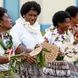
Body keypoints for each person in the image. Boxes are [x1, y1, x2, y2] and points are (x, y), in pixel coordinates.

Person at [10, 1, 44, 77]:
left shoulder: (36, 28)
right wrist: (31, 52)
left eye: (35, 15)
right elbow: (15, 46)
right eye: (30, 15)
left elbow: (41, 44)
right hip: (23, 68)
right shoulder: (18, 27)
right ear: (24, 15)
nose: (33, 18)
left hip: (36, 67)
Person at [0, 7, 13, 77]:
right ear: (0, 22)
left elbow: (9, 55)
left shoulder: (8, 37)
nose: (11, 20)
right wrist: (15, 57)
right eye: (7, 18)